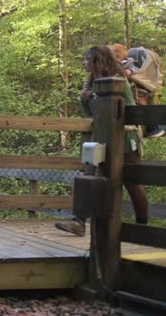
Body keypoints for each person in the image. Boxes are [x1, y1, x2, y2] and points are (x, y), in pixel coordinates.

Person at [56, 45, 149, 236]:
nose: (84, 62)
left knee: (133, 184)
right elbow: (92, 112)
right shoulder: (92, 82)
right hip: (103, 137)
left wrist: (92, 98)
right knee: (92, 175)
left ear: (98, 61)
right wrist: (86, 98)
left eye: (87, 59)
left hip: (125, 137)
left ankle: (142, 228)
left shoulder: (119, 80)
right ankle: (80, 221)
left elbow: (121, 111)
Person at [109, 44, 164, 138]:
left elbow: (135, 68)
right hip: (132, 90)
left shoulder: (130, 60)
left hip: (138, 90)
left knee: (143, 108)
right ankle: (151, 128)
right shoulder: (119, 63)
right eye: (115, 57)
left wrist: (129, 71)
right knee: (140, 110)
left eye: (118, 56)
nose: (117, 59)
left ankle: (154, 128)